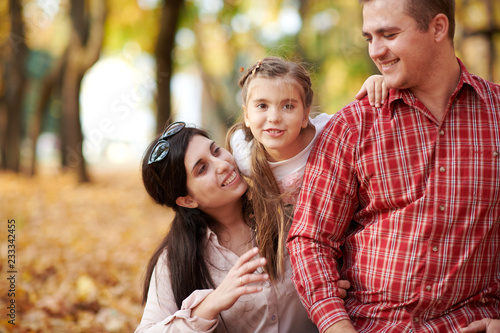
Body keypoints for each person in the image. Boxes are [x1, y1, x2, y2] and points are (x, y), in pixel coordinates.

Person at [286, 0, 500, 332]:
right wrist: (336, 327)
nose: (375, 50)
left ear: (438, 28)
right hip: (374, 325)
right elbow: (311, 239)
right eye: (369, 37)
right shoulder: (353, 126)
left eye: (388, 34)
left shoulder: (497, 116)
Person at [136, 122, 331, 332]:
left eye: (216, 151)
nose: (222, 164)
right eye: (202, 168)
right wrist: (208, 306)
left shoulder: (287, 213)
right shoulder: (174, 261)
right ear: (187, 200)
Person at [227, 56, 387, 282]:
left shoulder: (330, 133)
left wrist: (376, 82)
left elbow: (365, 124)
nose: (274, 117)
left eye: (288, 106)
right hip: (294, 241)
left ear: (305, 115)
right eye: (262, 106)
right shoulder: (242, 154)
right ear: (246, 116)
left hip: (342, 228)